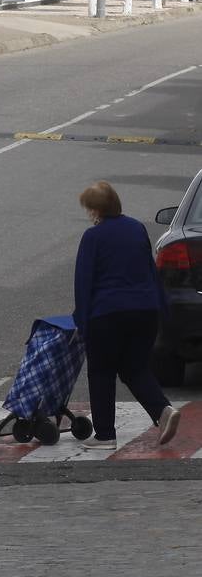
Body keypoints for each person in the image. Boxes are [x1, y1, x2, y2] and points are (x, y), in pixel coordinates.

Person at [73, 181, 179, 451]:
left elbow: (83, 283)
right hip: (145, 312)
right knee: (135, 368)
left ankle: (105, 435)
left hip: (108, 314)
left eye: (90, 208)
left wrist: (82, 322)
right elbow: (150, 269)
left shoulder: (93, 237)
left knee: (101, 371)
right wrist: (162, 311)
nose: (89, 214)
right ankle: (163, 410)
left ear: (97, 210)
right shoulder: (136, 228)